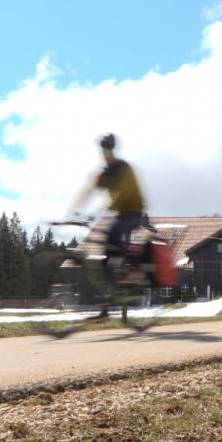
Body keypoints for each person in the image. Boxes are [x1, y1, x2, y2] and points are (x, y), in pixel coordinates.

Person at [71, 132, 146, 321]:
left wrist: (101, 209)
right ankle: (106, 308)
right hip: (119, 214)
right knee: (104, 261)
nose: (106, 153)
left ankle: (132, 271)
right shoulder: (104, 173)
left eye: (109, 150)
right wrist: (74, 211)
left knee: (113, 232)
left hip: (134, 213)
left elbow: (123, 193)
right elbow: (88, 189)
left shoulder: (124, 168)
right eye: (103, 150)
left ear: (113, 150)